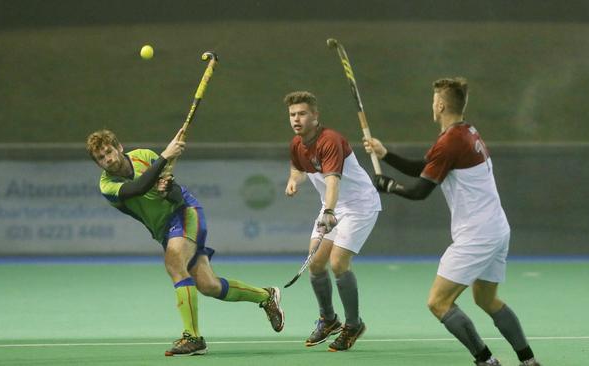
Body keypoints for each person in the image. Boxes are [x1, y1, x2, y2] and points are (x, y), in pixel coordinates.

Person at [363, 77, 541, 366]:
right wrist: (386, 155)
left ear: (441, 104)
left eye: (434, 100)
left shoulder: (449, 142)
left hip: (477, 235)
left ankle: (486, 361)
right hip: (497, 229)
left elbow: (420, 191)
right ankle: (528, 361)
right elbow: (427, 166)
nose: (432, 105)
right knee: (486, 300)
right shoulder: (467, 132)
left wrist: (389, 186)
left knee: (438, 302)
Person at [86, 128, 284, 357]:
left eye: (109, 151)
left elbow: (176, 194)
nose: (108, 159)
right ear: (98, 164)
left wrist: (167, 189)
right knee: (209, 285)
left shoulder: (144, 156)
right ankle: (266, 296)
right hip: (164, 231)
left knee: (173, 263)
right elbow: (138, 188)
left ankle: (193, 337)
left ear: (119, 147)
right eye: (101, 158)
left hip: (185, 213)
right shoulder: (107, 186)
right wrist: (166, 156)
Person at [283, 91, 381, 352]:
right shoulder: (296, 143)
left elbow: (333, 180)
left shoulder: (330, 141)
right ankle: (328, 320)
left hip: (359, 206)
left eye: (302, 113)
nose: (296, 119)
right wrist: (294, 180)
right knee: (315, 263)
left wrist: (329, 210)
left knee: (338, 262)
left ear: (315, 116)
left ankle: (353, 324)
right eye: (293, 114)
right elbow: (298, 167)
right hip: (333, 206)